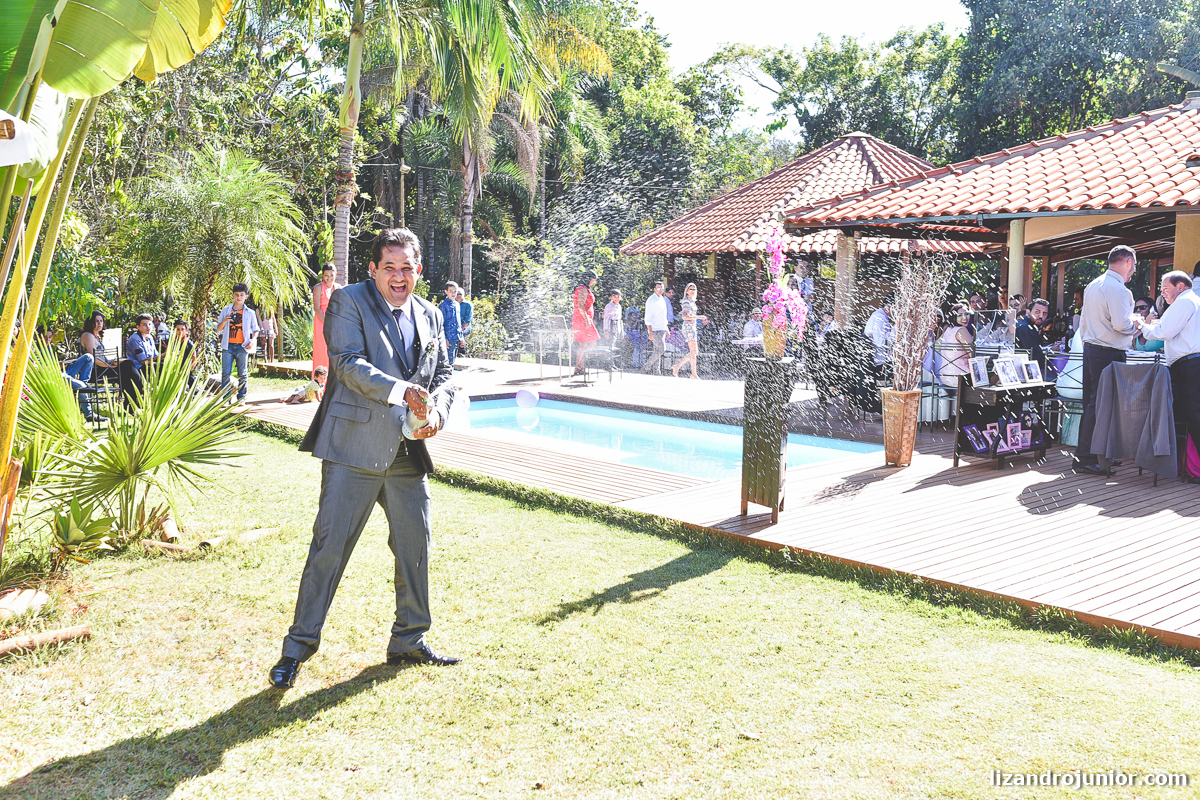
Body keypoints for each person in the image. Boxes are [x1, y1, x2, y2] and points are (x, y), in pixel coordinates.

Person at [270, 227, 457, 689]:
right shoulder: (348, 302)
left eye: (407, 268)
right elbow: (349, 363)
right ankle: (297, 649)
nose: (398, 276)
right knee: (328, 550)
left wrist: (438, 412)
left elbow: (447, 374)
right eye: (389, 267)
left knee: (416, 547)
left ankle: (409, 640)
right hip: (352, 450)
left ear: (418, 271)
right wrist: (404, 391)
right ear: (372, 269)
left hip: (406, 453)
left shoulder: (432, 315)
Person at [1074, 246, 1140, 475]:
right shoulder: (1119, 289)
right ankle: (1085, 458)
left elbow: (1083, 322)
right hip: (1108, 351)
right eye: (1133, 266)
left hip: (1092, 349)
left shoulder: (1093, 284)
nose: (1133, 272)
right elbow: (1122, 325)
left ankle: (1099, 454)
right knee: (1100, 405)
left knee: (1095, 404)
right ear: (1129, 262)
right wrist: (1139, 326)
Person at [1136, 271, 1200, 456]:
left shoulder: (1184, 302)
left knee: (1193, 416)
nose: (1162, 293)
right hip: (1190, 364)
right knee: (1191, 415)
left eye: (1165, 288)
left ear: (1180, 286)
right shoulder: (1192, 301)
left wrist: (1141, 326)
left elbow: (1165, 332)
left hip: (1188, 366)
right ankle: (1187, 465)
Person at [217, 283, 260, 405]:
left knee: (243, 373)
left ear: (246, 296)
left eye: (241, 295)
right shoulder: (226, 310)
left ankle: (241, 397)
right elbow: (219, 328)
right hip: (228, 345)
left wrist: (252, 340)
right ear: (233, 295)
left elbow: (256, 329)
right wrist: (225, 320)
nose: (239, 297)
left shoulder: (250, 312)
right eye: (236, 295)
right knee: (226, 373)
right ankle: (226, 399)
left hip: (242, 346)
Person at [673, 283, 708, 379]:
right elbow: (685, 317)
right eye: (691, 289)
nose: (693, 291)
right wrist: (699, 317)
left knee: (694, 352)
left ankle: (693, 373)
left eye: (694, 289)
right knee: (694, 352)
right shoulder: (686, 302)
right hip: (688, 327)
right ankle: (678, 367)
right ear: (687, 291)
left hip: (692, 326)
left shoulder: (692, 302)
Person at [312, 263, 341, 376]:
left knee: (335, 351)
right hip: (322, 321)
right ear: (322, 276)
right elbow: (317, 308)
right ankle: (320, 384)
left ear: (336, 274)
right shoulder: (318, 288)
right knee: (322, 351)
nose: (329, 277)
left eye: (331, 275)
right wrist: (327, 324)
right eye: (326, 275)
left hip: (336, 322)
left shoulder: (338, 287)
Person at [572, 271, 600, 375]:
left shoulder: (584, 288)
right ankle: (579, 366)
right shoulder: (583, 289)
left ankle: (580, 365)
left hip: (585, 318)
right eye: (593, 280)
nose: (594, 282)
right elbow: (580, 305)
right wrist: (586, 319)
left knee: (590, 342)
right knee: (584, 344)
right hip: (582, 319)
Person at [1015, 298, 1050, 374]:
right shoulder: (1025, 328)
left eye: (1044, 313)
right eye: (1037, 312)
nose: (1041, 316)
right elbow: (1035, 357)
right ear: (1028, 312)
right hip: (1025, 372)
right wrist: (1052, 351)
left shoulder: (1028, 325)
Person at [643, 280, 669, 374]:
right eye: (659, 288)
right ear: (654, 289)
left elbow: (663, 315)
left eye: (662, 288)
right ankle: (647, 366)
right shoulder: (651, 300)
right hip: (655, 329)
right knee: (661, 349)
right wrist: (650, 331)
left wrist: (667, 328)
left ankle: (656, 371)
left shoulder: (662, 299)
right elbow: (647, 318)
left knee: (657, 350)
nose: (661, 290)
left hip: (662, 328)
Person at [439, 282, 461, 366]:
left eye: (455, 291)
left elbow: (458, 322)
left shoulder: (457, 305)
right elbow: (441, 324)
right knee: (448, 362)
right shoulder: (443, 306)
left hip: (456, 337)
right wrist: (444, 338)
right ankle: (447, 378)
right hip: (448, 337)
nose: (453, 293)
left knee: (453, 360)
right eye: (451, 291)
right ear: (446, 291)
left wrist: (461, 337)